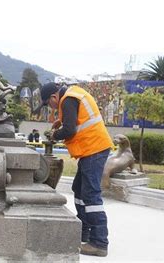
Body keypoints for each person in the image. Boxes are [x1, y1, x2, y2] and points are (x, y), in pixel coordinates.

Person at [40, 82, 113, 257]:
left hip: (94, 148)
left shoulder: (68, 100)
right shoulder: (73, 94)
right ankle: (84, 232)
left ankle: (99, 242)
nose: (50, 107)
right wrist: (61, 121)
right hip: (92, 149)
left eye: (48, 103)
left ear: (53, 97)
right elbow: (78, 119)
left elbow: (70, 130)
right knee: (78, 189)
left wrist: (54, 135)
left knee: (90, 193)